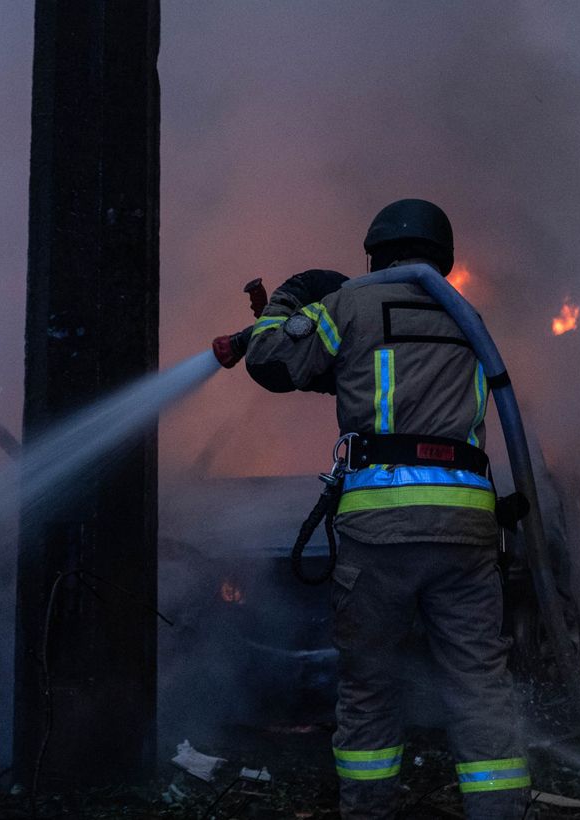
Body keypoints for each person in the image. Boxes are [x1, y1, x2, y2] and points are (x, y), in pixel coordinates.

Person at [241, 199, 530, 820]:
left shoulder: (348, 305)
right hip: (466, 531)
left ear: (375, 254)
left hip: (380, 532)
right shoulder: (468, 315)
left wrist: (284, 303)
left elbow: (271, 361)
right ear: (442, 256)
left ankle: (369, 811)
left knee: (371, 686)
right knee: (480, 683)